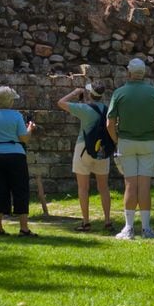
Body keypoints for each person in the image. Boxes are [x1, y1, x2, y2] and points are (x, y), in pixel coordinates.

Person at [107, 56, 154, 240]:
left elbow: (110, 123)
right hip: (149, 142)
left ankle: (129, 228)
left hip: (126, 141)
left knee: (130, 184)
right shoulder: (153, 92)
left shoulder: (120, 93)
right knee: (145, 186)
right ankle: (147, 229)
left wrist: (117, 140)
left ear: (129, 73)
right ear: (144, 73)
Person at [0, 85, 36, 237]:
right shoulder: (16, 116)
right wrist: (30, 129)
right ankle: (23, 228)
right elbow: (24, 138)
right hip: (16, 155)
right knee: (20, 189)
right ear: (10, 101)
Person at [57, 80, 113, 233]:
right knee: (104, 187)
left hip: (84, 148)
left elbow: (61, 102)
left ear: (90, 93)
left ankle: (86, 222)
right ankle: (107, 221)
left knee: (83, 187)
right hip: (102, 149)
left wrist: (75, 93)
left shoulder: (83, 109)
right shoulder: (107, 110)